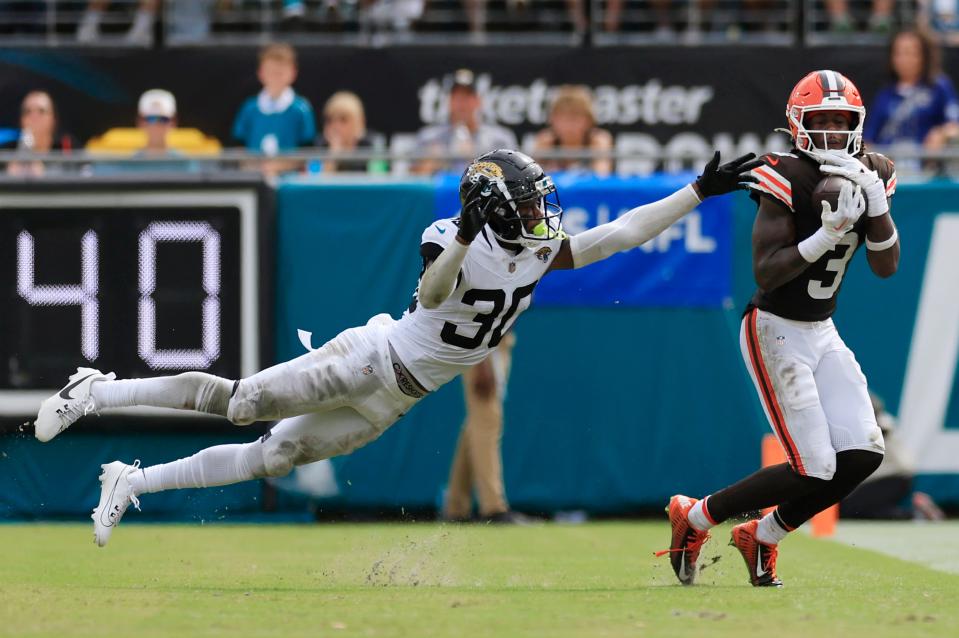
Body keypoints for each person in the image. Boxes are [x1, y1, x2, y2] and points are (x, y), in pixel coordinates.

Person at [32, 148, 759, 547]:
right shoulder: (452, 236)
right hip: (369, 357)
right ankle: (97, 388)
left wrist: (697, 189)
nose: (544, 212)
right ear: (495, 208)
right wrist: (470, 231)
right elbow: (438, 291)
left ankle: (130, 481)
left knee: (274, 456)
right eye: (531, 201)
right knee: (241, 403)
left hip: (396, 399)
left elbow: (621, 233)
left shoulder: (539, 253)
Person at [660, 70, 901, 587]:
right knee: (812, 465)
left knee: (863, 453)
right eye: (823, 121)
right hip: (774, 328)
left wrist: (876, 205)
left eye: (844, 121)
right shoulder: (784, 174)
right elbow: (766, 271)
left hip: (822, 329)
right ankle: (696, 515)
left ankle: (762, 536)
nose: (835, 132)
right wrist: (824, 237)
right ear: (798, 123)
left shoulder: (875, 170)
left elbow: (887, 267)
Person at [442, 332, 521, 523]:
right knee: (487, 419)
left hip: (495, 342)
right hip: (484, 346)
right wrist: (481, 362)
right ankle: (493, 507)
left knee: (477, 423)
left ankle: (456, 506)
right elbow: (481, 313)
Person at [840, 393, 945, 520]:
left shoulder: (875, 424)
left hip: (892, 476)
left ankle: (916, 515)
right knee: (867, 508)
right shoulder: (878, 422)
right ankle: (917, 511)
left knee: (850, 509)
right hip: (893, 475)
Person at [863, 28, 959, 153]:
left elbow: (954, 125)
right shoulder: (885, 94)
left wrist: (941, 133)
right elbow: (869, 138)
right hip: (890, 165)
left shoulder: (939, 86)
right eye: (898, 53)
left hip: (926, 166)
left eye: (909, 52)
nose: (903, 59)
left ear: (923, 56)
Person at [414, 68, 518, 175]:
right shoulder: (429, 137)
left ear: (478, 100)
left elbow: (512, 178)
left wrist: (475, 160)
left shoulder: (500, 139)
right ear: (449, 101)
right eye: (457, 97)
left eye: (467, 97)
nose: (461, 103)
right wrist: (431, 162)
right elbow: (412, 181)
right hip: (442, 191)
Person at [232, 43, 316, 156]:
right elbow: (238, 147)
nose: (276, 77)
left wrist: (281, 166)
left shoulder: (301, 109)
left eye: (280, 72)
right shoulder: (249, 108)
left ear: (293, 73)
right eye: (271, 71)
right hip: (253, 172)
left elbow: (307, 151)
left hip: (292, 173)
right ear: (261, 73)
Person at [533, 85, 613, 176]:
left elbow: (601, 179)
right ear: (552, 119)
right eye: (563, 117)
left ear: (589, 120)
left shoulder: (598, 140)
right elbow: (535, 179)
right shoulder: (545, 141)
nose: (569, 124)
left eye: (575, 117)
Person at [3, 90, 75, 177]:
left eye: (41, 111)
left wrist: (44, 174)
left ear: (53, 119)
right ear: (21, 120)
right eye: (28, 112)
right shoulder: (7, 152)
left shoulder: (67, 150)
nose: (34, 117)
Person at [315, 91, 387, 174]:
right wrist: (333, 155)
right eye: (330, 120)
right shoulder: (320, 147)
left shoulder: (371, 145)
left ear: (359, 122)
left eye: (343, 119)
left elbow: (379, 179)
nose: (335, 126)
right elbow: (315, 182)